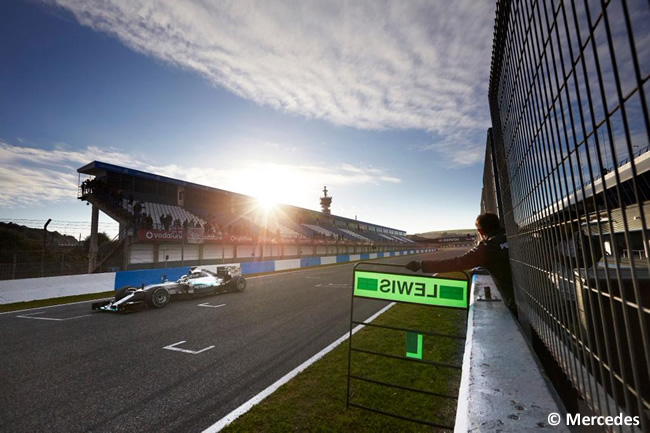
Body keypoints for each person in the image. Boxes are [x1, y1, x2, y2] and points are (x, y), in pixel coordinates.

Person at [406, 213, 516, 316]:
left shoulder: (486, 248)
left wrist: (421, 265)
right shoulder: (515, 236)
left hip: (519, 304)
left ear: (480, 231)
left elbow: (456, 263)